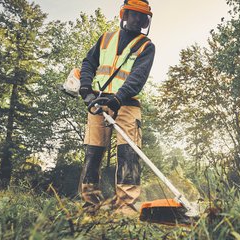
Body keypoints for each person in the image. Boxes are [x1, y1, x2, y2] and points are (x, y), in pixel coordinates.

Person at [78, 0, 155, 216]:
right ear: (125, 14)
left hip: (127, 104)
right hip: (97, 103)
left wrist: (118, 98)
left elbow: (137, 77)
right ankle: (90, 204)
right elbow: (88, 63)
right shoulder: (106, 39)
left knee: (128, 153)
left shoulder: (146, 46)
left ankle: (126, 206)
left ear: (146, 20)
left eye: (141, 16)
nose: (137, 19)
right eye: (133, 14)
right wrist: (86, 87)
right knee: (93, 153)